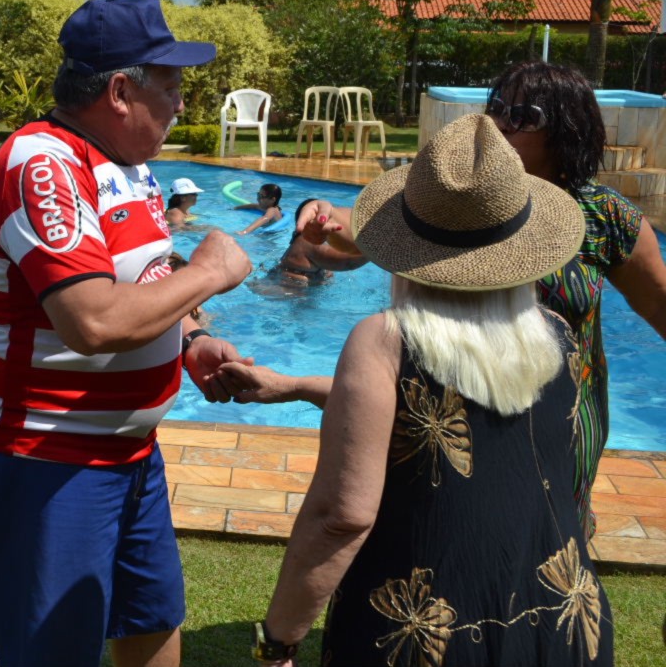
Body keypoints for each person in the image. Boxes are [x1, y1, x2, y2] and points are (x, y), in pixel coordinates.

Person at [228, 62, 666, 539]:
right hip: (454, 416)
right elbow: (374, 231)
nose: (500, 123)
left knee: (553, 541)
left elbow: (659, 306)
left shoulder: (605, 218)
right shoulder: (458, 202)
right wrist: (327, 214)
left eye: (523, 115)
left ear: (567, 128)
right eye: (497, 106)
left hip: (563, 421)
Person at [240, 113, 612, 666]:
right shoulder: (557, 336)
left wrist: (278, 641)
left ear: (406, 241)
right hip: (566, 623)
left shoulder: (383, 340)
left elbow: (342, 515)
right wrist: (293, 386)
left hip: (426, 635)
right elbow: (457, 416)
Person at [0, 0, 253, 667]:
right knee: (53, 652)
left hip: (128, 450)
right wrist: (209, 272)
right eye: (171, 87)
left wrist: (188, 339)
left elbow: (145, 278)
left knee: (152, 621)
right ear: (120, 92)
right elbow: (92, 320)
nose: (182, 104)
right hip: (49, 455)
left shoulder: (126, 164)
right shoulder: (42, 166)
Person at [273, 199, 366, 285]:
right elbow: (349, 262)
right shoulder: (307, 241)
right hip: (283, 292)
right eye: (330, 218)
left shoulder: (306, 239)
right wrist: (372, 246)